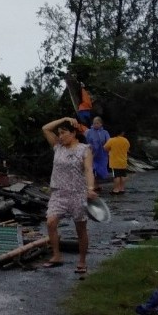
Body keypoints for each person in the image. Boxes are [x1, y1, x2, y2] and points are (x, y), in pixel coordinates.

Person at [41, 117, 98, 275]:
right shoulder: (57, 147)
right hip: (58, 192)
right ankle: (56, 255)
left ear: (74, 133)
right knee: (51, 222)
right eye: (59, 133)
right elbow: (45, 128)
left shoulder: (84, 149)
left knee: (80, 229)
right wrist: (64, 119)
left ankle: (82, 261)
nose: (60, 136)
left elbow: (88, 170)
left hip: (78, 194)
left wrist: (91, 188)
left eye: (64, 133)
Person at [104, 129, 131, 195]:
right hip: (123, 161)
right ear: (122, 133)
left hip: (115, 161)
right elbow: (128, 148)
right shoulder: (125, 140)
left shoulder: (111, 140)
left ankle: (116, 189)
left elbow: (105, 148)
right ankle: (122, 189)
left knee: (116, 176)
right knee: (123, 175)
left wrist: (110, 151)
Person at [85, 116, 111, 180]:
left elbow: (109, 142)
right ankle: (94, 185)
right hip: (92, 153)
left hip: (102, 154)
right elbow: (87, 142)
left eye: (97, 123)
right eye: (94, 123)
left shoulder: (105, 132)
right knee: (92, 169)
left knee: (101, 170)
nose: (95, 125)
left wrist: (108, 150)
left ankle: (97, 184)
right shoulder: (89, 132)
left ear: (101, 124)